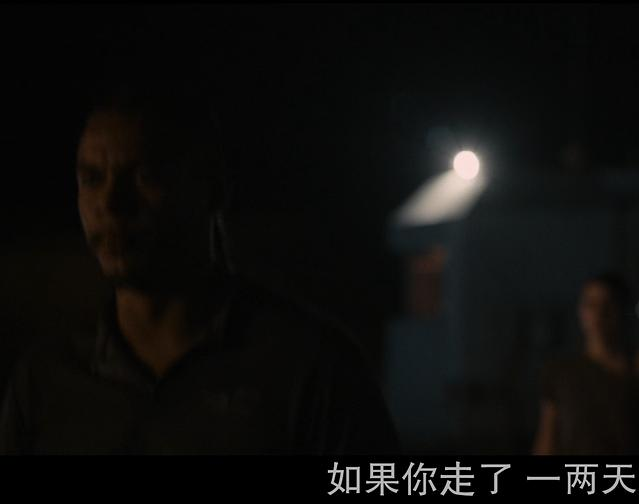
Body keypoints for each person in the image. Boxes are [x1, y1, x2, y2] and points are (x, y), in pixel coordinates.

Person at [0, 75, 399, 454]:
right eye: (91, 179)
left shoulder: (308, 370)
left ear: (213, 188)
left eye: (145, 176)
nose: (111, 203)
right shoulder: (45, 381)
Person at [533, 273, 639, 455]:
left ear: (621, 310)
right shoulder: (561, 372)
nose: (599, 313)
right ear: (580, 311)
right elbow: (546, 441)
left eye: (608, 304)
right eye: (590, 304)